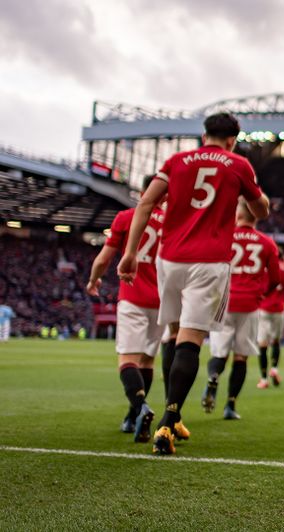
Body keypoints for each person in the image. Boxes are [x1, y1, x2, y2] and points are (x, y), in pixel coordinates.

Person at [118, 112, 269, 455]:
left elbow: (145, 203)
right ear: (232, 140)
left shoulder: (176, 161)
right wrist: (261, 203)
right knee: (191, 339)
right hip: (209, 261)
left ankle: (176, 415)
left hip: (169, 259)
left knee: (173, 333)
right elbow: (259, 211)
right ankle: (168, 423)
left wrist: (130, 253)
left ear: (204, 136)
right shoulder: (237, 164)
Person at [86, 175, 165, 443]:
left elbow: (105, 257)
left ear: (142, 192)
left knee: (128, 360)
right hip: (162, 301)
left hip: (133, 296)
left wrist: (93, 279)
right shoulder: (173, 223)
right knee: (148, 361)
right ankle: (133, 416)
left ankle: (140, 408)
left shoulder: (126, 217)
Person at [202, 200, 280, 420]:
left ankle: (214, 377)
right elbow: (275, 279)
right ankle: (230, 405)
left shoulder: (224, 236)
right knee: (241, 357)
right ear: (256, 216)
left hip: (223, 302)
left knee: (219, 353)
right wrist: (261, 293)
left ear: (238, 214)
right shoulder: (267, 243)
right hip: (250, 304)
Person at [257, 247, 284, 387]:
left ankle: (263, 379)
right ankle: (274, 369)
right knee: (276, 341)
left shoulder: (265, 267)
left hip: (264, 308)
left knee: (262, 344)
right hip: (279, 309)